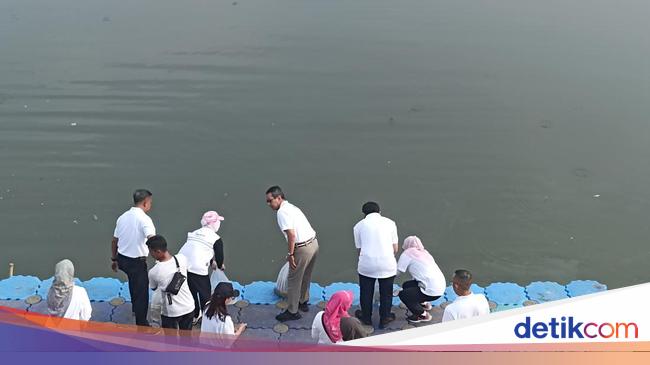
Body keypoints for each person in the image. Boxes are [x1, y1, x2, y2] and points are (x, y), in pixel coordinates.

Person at [265, 185, 319, 322]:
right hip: (313, 244)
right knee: (306, 275)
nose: (268, 204)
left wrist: (290, 254)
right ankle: (303, 301)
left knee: (293, 280)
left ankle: (292, 311)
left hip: (302, 248)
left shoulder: (282, 212)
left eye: (270, 201)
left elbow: (291, 235)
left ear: (279, 198)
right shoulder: (292, 208)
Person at [111, 189, 155, 326]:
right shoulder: (145, 220)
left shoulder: (122, 217)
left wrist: (114, 259)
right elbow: (152, 240)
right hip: (137, 262)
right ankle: (142, 323)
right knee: (142, 291)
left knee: (132, 282)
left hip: (123, 259)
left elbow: (114, 241)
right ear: (145, 203)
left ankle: (136, 308)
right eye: (150, 202)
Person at [353, 201, 398, 329]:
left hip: (367, 265)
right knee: (386, 293)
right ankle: (385, 318)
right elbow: (395, 248)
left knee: (366, 292)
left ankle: (366, 318)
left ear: (364, 214)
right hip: (387, 265)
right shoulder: (390, 223)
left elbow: (359, 250)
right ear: (379, 212)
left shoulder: (358, 226)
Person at [178, 210, 226, 324]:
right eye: (218, 221)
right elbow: (219, 257)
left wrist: (211, 262)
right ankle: (207, 318)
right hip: (198, 269)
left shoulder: (194, 233)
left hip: (182, 265)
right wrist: (219, 265)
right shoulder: (216, 238)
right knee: (205, 294)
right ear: (214, 224)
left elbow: (197, 249)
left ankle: (195, 314)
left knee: (191, 292)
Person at [146, 235, 196, 334]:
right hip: (189, 306)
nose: (150, 254)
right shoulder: (181, 259)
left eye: (151, 251)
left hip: (171, 312)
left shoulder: (154, 272)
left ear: (158, 252)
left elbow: (154, 288)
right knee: (186, 338)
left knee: (170, 340)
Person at [396, 236, 445, 323]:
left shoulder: (407, 253)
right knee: (406, 285)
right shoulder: (425, 253)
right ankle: (424, 304)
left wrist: (385, 276)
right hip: (440, 288)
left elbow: (398, 271)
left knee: (403, 295)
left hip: (431, 291)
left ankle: (423, 315)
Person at [200, 282, 247, 348]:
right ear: (226, 299)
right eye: (231, 297)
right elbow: (230, 341)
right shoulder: (225, 319)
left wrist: (232, 327)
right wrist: (240, 329)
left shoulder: (207, 306)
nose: (232, 299)